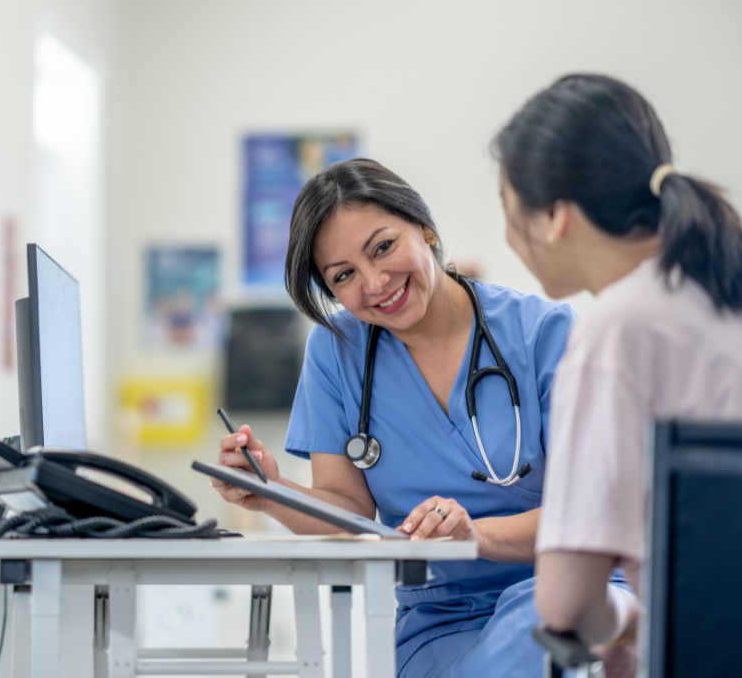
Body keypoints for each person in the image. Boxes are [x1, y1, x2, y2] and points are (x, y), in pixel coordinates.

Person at [212, 159, 614, 677]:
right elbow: (347, 509)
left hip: (559, 588)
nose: (376, 283)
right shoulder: (337, 352)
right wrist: (271, 490)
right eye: (344, 276)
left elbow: (587, 515)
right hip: (439, 617)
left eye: (382, 247)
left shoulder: (545, 334)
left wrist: (476, 537)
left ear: (424, 228)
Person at [494, 73, 742, 673]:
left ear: (554, 215)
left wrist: (631, 620)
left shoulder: (615, 330)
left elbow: (567, 606)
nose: (507, 231)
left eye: (507, 207)